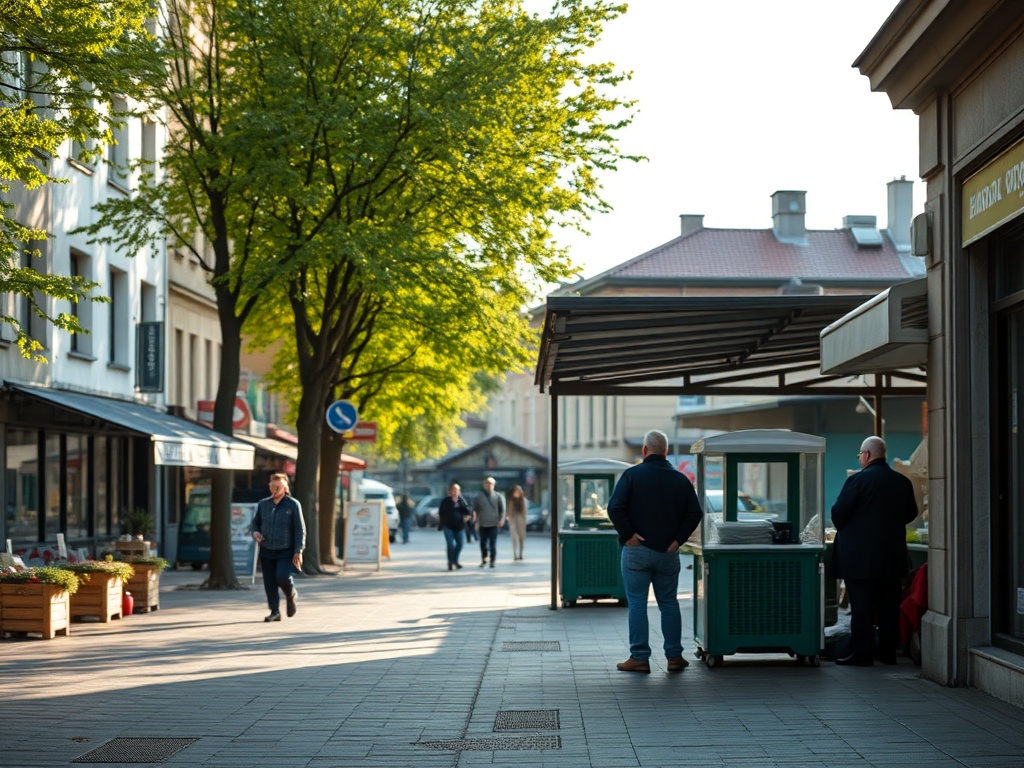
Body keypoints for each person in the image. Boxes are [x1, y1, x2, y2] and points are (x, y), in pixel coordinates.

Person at [607, 429, 703, 674]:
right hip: (667, 553)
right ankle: (674, 657)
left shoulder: (631, 476)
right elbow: (695, 513)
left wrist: (628, 534)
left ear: (644, 450)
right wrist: (677, 540)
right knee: (669, 603)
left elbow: (615, 508)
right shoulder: (681, 480)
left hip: (636, 551)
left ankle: (639, 657)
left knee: (638, 602)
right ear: (666, 452)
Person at [831, 435, 919, 666]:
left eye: (860, 454)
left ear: (867, 455)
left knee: (862, 608)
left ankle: (862, 653)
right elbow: (911, 513)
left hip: (860, 560)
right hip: (892, 557)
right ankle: (887, 653)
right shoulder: (902, 482)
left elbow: (838, 515)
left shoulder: (857, 481)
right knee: (889, 606)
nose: (860, 458)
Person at [250, 473, 306, 622]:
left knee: (282, 576)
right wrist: (255, 533)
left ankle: (290, 595)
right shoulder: (263, 504)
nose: (275, 489)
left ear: (285, 487)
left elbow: (300, 529)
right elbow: (255, 523)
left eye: (278, 486)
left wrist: (298, 550)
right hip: (267, 549)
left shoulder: (293, 504)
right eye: (272, 486)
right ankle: (274, 611)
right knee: (269, 581)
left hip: (286, 550)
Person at [437, 481, 472, 571]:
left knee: (460, 545)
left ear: (459, 491)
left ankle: (455, 560)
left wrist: (467, 517)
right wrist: (440, 524)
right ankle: (450, 561)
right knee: (450, 544)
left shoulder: (462, 501)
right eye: (453, 489)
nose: (455, 491)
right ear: (450, 491)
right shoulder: (445, 501)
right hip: (448, 526)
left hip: (459, 527)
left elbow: (467, 512)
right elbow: (441, 513)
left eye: (457, 490)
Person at [473, 476, 506, 568]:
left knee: (493, 543)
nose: (488, 485)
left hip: (494, 523)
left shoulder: (498, 496)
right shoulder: (479, 496)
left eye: (490, 484)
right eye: (486, 483)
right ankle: (484, 558)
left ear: (494, 485)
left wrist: (501, 520)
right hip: (482, 523)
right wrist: (475, 521)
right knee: (483, 543)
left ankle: (492, 560)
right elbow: (475, 509)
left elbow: (502, 510)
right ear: (484, 485)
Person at [506, 484, 528, 561]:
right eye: (516, 491)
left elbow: (525, 513)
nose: (517, 492)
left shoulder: (524, 501)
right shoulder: (511, 501)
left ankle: (520, 554)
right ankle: (514, 554)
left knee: (521, 538)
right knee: (514, 538)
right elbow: (509, 513)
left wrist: (525, 523)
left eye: (519, 491)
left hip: (521, 522)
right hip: (513, 522)